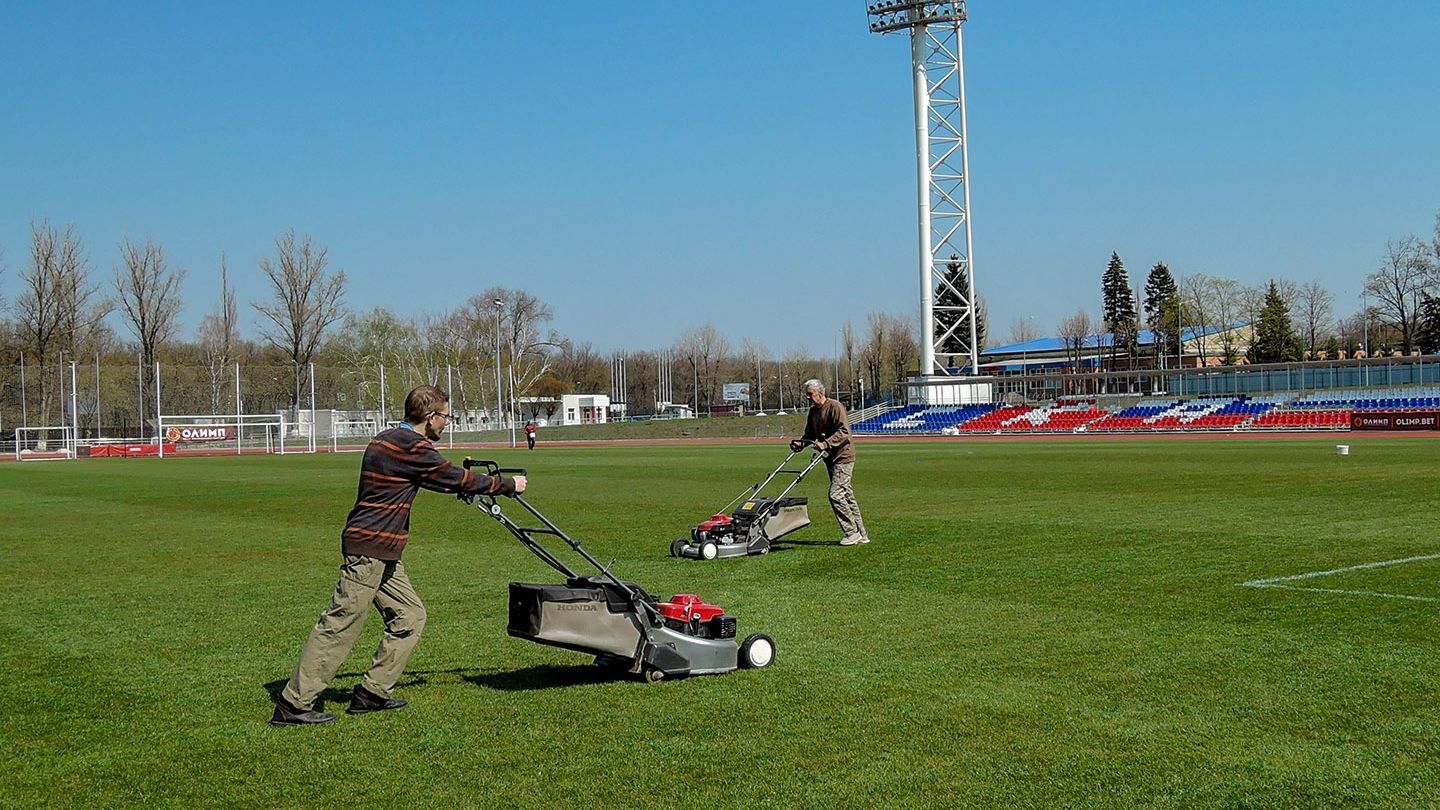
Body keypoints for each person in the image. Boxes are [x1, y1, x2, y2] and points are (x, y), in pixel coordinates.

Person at [271, 384, 527, 726]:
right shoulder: (410, 445)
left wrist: (461, 486)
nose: (447, 423)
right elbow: (450, 476)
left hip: (384, 549)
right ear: (431, 416)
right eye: (446, 417)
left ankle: (372, 693)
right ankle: (294, 704)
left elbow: (435, 479)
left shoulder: (387, 439)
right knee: (341, 622)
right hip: (370, 550)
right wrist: (506, 485)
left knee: (410, 616)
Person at [789, 379, 868, 547]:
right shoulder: (813, 412)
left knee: (836, 494)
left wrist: (825, 443)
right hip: (829, 458)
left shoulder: (835, 407)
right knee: (847, 495)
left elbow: (844, 431)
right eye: (807, 395)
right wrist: (801, 444)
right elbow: (809, 433)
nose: (808, 398)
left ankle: (851, 532)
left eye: (810, 394)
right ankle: (862, 534)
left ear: (821, 393)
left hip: (843, 456)